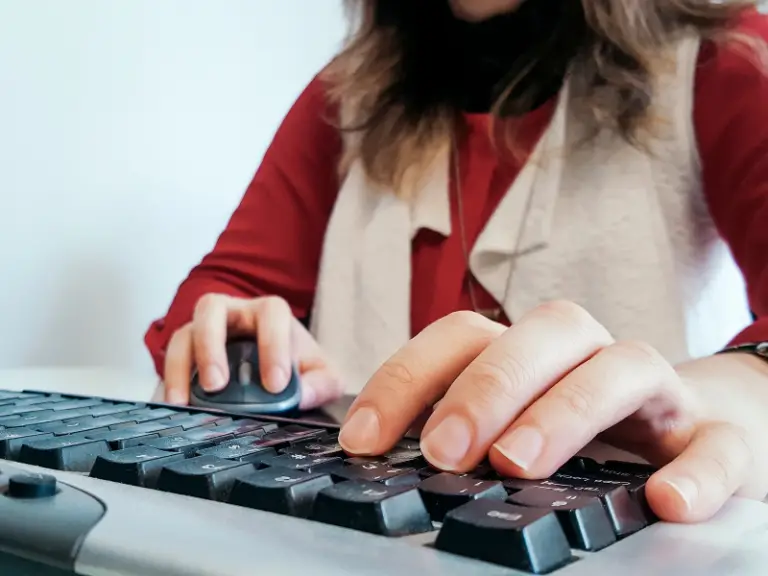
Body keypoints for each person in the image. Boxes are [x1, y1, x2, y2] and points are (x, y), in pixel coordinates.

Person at [145, 0, 768, 525]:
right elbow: (232, 286)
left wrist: (721, 397)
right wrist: (239, 336)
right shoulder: (346, 93)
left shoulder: (727, 56)